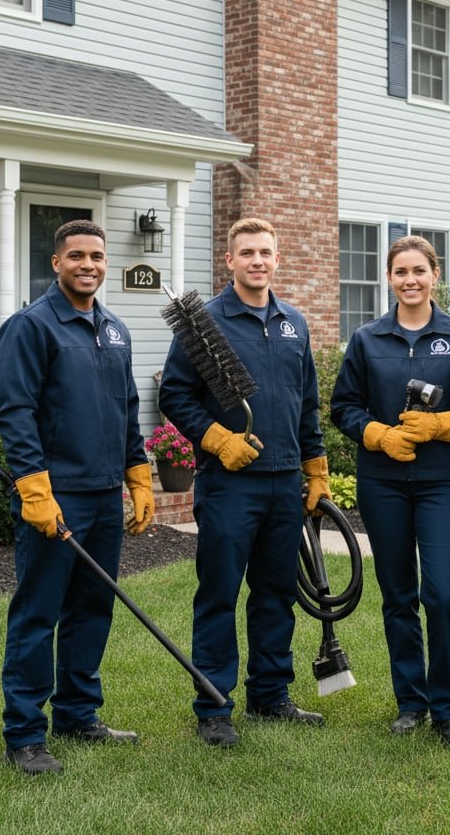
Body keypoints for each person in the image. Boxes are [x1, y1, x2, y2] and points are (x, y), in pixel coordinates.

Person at [158, 217, 331, 748]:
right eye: (247, 252)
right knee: (219, 593)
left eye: (266, 252)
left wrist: (316, 469)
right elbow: (175, 396)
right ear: (229, 261)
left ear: (277, 260)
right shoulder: (205, 324)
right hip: (231, 485)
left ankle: (271, 695)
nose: (258, 261)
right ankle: (214, 706)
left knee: (276, 592)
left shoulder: (293, 323)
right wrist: (217, 439)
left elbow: (306, 404)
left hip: (284, 484)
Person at [0, 220, 155, 775]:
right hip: (55, 500)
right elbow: (15, 413)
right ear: (57, 262)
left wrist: (138, 473)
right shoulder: (31, 327)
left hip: (105, 495)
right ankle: (24, 734)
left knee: (93, 608)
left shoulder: (114, 329)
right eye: (77, 256)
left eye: (97, 256)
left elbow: (128, 407)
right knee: (39, 614)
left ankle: (78, 714)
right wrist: (34, 488)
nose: (89, 264)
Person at [330, 235, 450, 748]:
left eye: (419, 270)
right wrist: (376, 433)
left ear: (435, 274)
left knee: (443, 594)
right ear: (389, 278)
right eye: (400, 271)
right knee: (398, 596)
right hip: (383, 485)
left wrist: (444, 425)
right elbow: (344, 406)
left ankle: (448, 709)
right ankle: (410, 702)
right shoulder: (368, 339)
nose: (410, 280)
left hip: (441, 483)